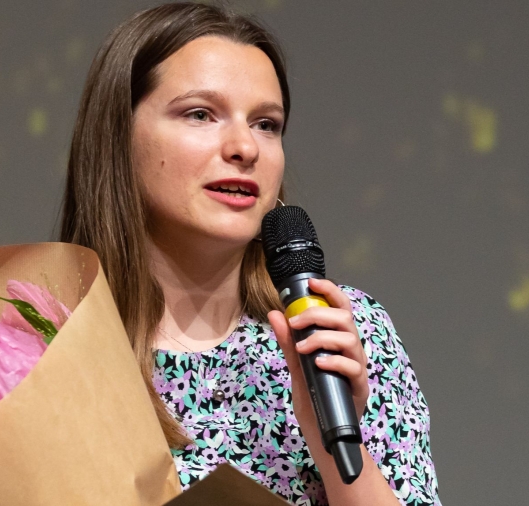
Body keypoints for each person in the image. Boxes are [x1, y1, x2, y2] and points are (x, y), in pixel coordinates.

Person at [59, 3, 439, 505]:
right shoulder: (45, 343)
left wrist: (332, 442)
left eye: (266, 124)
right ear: (118, 137)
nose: (245, 147)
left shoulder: (344, 333)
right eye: (200, 114)